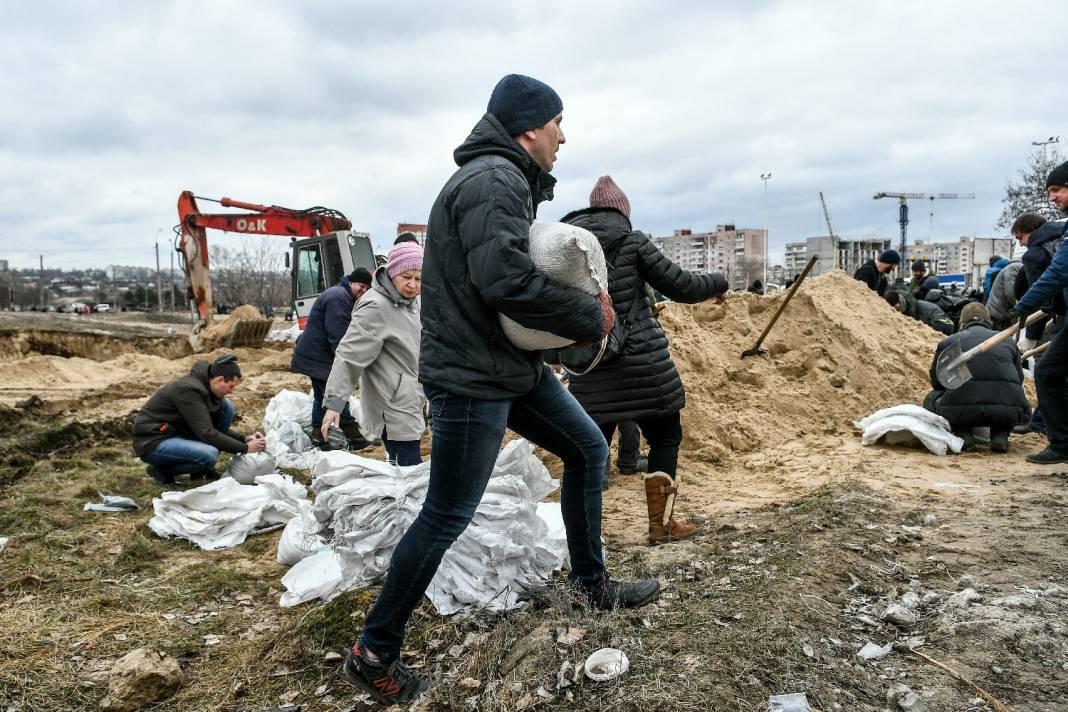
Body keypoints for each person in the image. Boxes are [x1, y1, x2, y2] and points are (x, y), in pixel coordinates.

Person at [341, 74, 659, 705]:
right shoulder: (493, 179)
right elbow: (504, 281)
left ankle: (590, 582)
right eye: (558, 123)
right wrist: (586, 317)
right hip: (471, 378)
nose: (564, 136)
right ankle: (374, 652)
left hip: (509, 367)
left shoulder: (505, 179)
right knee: (448, 512)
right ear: (529, 129)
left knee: (588, 449)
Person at [560, 174, 729, 544]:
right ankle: (661, 526)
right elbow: (683, 287)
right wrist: (719, 282)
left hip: (592, 368)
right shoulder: (632, 242)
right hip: (644, 365)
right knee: (666, 437)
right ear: (622, 212)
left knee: (589, 454)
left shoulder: (569, 250)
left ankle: (586, 539)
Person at [321, 243, 425, 466]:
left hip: (412, 398)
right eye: (406, 276)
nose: (412, 284)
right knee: (408, 472)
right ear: (392, 272)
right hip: (394, 404)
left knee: (403, 472)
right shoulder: (375, 306)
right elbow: (349, 356)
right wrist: (334, 404)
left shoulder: (413, 303)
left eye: (418, 279)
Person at [132, 354, 266, 484]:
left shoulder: (209, 390)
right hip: (154, 439)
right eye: (231, 386)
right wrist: (244, 448)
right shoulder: (189, 390)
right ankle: (162, 471)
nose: (232, 391)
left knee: (227, 408)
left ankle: (202, 471)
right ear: (219, 379)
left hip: (177, 433)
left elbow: (212, 428)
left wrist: (243, 439)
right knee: (209, 455)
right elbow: (206, 432)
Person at [1011, 161, 1068, 463]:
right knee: (1052, 372)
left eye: (1057, 190)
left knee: (1048, 372)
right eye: (1050, 192)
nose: (1052, 198)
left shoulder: (1039, 250)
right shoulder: (1063, 231)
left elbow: (1057, 274)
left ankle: (1060, 443)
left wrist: (1024, 306)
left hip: (1061, 318)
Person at [924, 303, 1029, 452]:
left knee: (931, 398)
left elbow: (938, 382)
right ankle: (1000, 434)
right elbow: (1019, 378)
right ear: (988, 322)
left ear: (962, 323)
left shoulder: (948, 342)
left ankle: (963, 434)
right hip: (1008, 411)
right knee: (1013, 396)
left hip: (961, 411)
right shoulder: (1008, 341)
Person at [290, 268, 375, 451]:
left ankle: (319, 435)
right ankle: (352, 434)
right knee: (334, 395)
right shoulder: (339, 298)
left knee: (322, 396)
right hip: (318, 358)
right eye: (362, 286)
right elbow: (338, 336)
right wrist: (346, 365)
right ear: (351, 282)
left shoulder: (342, 295)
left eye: (367, 288)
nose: (364, 291)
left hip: (315, 355)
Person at [1011, 213, 1065, 434]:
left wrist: (1030, 336)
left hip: (1062, 316)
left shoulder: (1034, 254)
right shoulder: (1060, 236)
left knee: (1047, 371)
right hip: (1062, 314)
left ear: (1031, 231)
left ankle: (1046, 426)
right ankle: (1042, 422)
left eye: (1020, 236)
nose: (1020, 243)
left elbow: (1041, 299)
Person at [886, 287, 954, 335]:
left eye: (896, 309)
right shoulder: (904, 301)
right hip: (942, 321)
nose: (895, 311)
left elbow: (920, 326)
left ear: (898, 303)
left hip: (942, 323)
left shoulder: (912, 309)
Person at [985, 258, 1023, 329]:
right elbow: (1010, 293)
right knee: (1001, 337)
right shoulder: (1014, 268)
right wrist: (1021, 307)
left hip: (998, 310)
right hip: (999, 313)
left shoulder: (1013, 267)